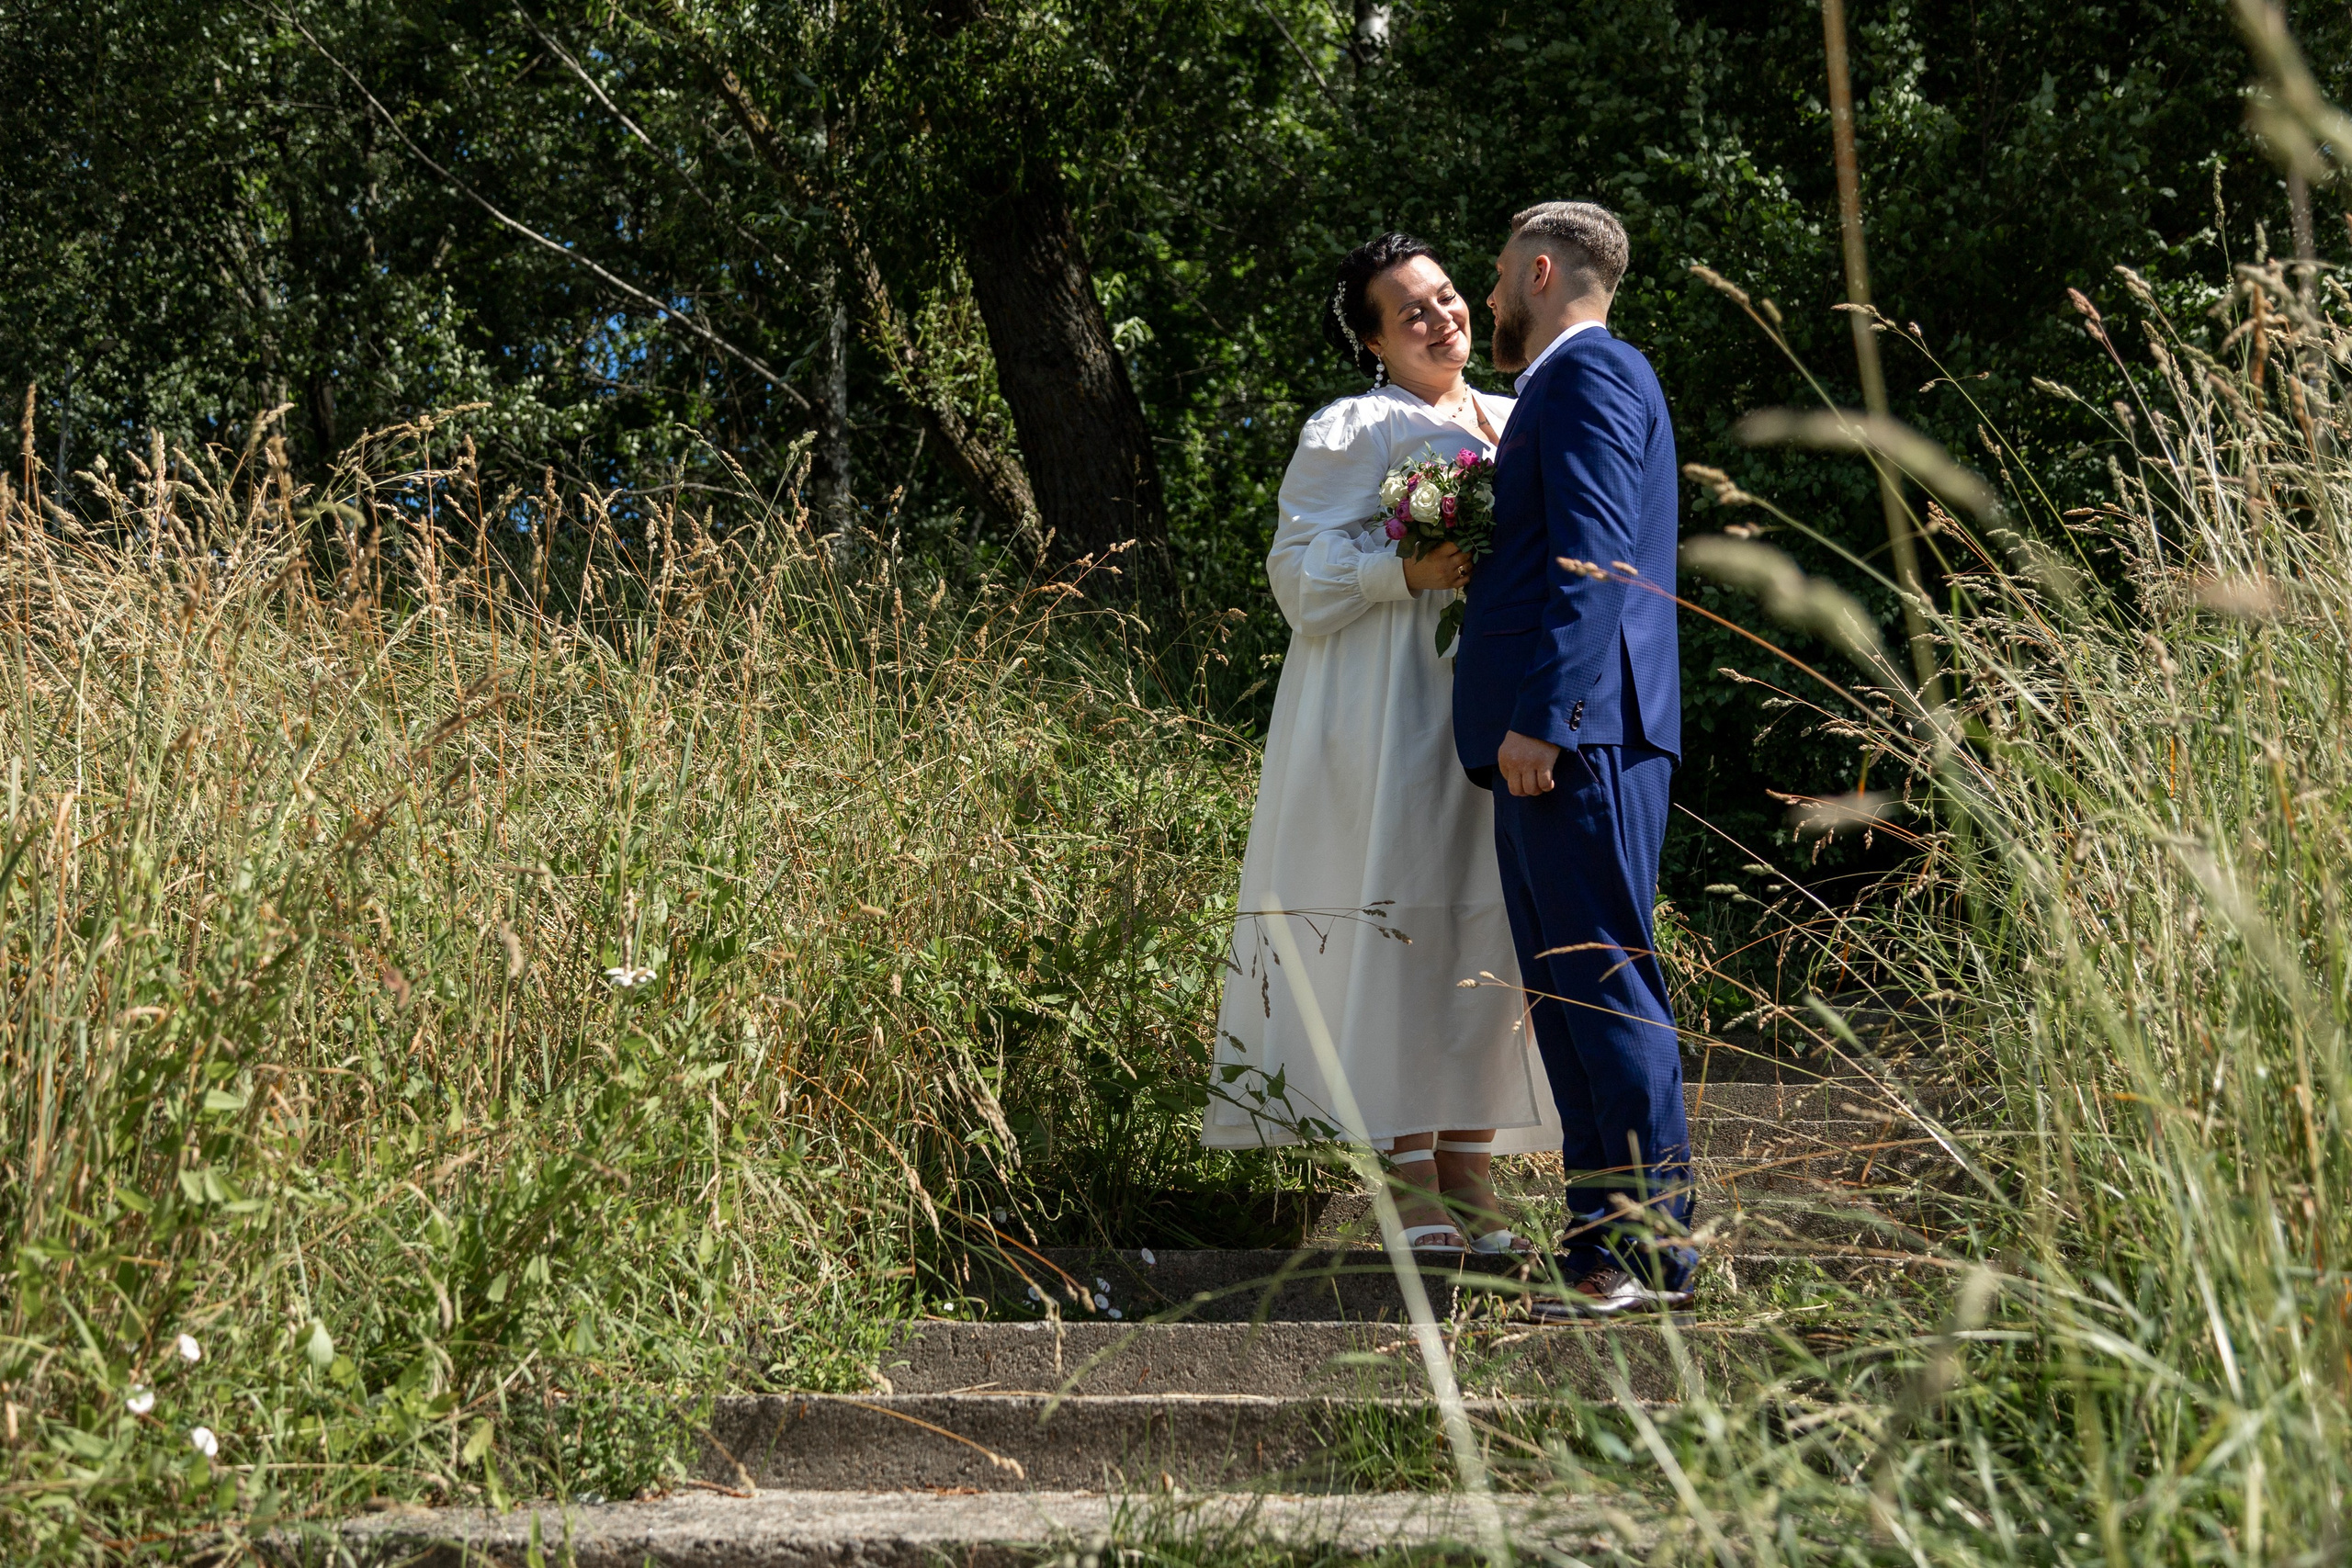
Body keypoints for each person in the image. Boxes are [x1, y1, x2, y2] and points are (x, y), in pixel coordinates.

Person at [1204, 232, 1558, 1252]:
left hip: (1498, 705)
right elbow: (1295, 575)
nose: (1442, 317)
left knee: (1490, 925)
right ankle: (1406, 1177)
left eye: (1447, 296)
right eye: (1411, 311)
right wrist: (1405, 573)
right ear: (1374, 341)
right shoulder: (1354, 426)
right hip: (1389, 706)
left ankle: (1471, 1165)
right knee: (1403, 916)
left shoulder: (1513, 414)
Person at [1453, 201, 1695, 1314]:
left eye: (1499, 280)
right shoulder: (1569, 381)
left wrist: (1544, 717)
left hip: (1577, 735)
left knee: (1601, 987)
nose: (1491, 300)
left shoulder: (1590, 374)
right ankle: (1603, 1249)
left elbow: (1593, 558)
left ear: (1541, 270)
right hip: (1570, 733)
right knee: (1566, 995)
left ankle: (1648, 1256)